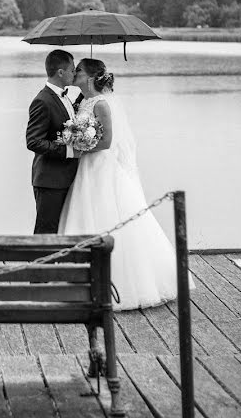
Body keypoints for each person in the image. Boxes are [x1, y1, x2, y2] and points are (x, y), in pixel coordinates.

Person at [58, 58, 179, 310]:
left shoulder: (102, 104)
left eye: (78, 71)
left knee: (106, 215)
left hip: (100, 167)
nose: (75, 74)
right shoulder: (82, 101)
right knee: (83, 214)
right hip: (85, 168)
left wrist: (79, 145)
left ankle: (121, 283)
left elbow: (106, 142)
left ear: (90, 78)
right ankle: (79, 281)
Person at [25, 49, 84, 234]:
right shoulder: (42, 101)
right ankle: (39, 264)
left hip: (65, 177)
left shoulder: (66, 97)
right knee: (46, 232)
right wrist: (68, 151)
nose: (74, 74)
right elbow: (33, 141)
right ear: (61, 72)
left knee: (61, 230)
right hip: (50, 179)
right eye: (73, 70)